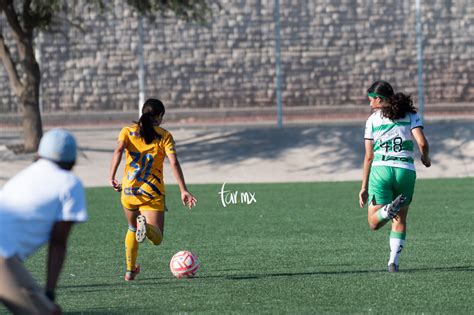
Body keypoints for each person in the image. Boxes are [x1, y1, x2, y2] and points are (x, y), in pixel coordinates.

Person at [0, 129, 88, 314]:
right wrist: (49, 293)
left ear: (39, 154)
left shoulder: (25, 175)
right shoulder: (69, 183)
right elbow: (58, 243)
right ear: (72, 161)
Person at [109, 98, 197, 281]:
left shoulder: (127, 131)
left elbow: (118, 150)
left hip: (129, 191)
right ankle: (147, 227)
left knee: (131, 228)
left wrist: (111, 176)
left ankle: (130, 271)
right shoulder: (165, 136)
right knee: (156, 238)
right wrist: (183, 190)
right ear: (159, 117)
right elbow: (173, 162)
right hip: (152, 193)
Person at [358, 80, 431, 272]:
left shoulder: (373, 120)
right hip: (405, 171)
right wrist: (425, 159)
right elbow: (422, 144)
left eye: (371, 100)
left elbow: (368, 156)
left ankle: (387, 209)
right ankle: (393, 261)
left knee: (374, 222)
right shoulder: (411, 115)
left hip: (381, 170)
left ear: (379, 100)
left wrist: (364, 187)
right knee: (400, 219)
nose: (370, 104)